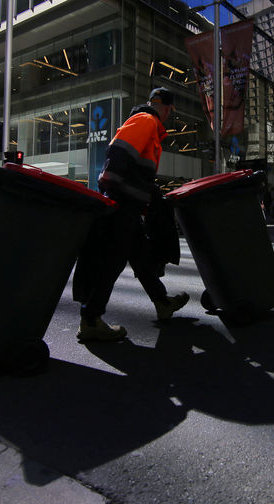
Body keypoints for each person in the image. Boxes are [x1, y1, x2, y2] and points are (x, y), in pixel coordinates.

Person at [75, 87, 189, 342]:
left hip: (129, 205)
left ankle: (162, 302)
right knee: (112, 260)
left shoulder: (146, 123)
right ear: (169, 109)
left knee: (141, 257)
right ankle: (90, 319)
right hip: (122, 204)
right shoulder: (147, 120)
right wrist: (113, 191)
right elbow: (119, 152)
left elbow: (133, 165)